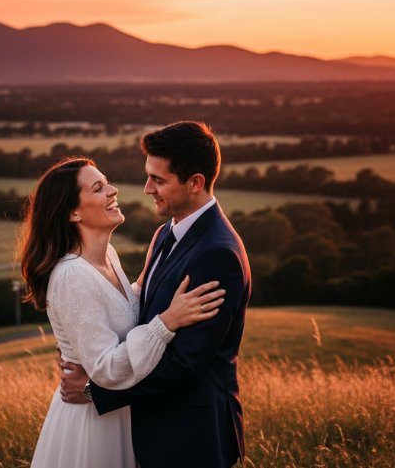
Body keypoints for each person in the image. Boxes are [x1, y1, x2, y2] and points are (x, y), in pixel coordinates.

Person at [60, 120, 252, 468]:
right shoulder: (166, 233)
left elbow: (185, 363)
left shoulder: (217, 254)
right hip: (153, 428)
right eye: (148, 176)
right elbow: (138, 309)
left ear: (195, 182)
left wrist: (94, 392)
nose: (147, 188)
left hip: (191, 435)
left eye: (158, 180)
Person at [22, 156, 227, 468]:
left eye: (107, 182)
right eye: (98, 188)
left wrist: (146, 284)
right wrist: (167, 322)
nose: (113, 190)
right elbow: (105, 367)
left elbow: (111, 309)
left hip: (121, 416)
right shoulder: (71, 275)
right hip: (92, 425)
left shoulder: (107, 256)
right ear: (73, 212)